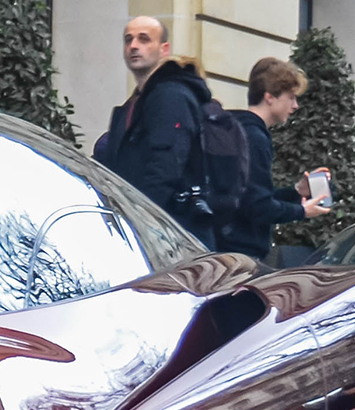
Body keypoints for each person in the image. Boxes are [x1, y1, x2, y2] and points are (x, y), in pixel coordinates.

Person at [93, 17, 220, 246]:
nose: (133, 46)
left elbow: (165, 168)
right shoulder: (142, 100)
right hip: (153, 231)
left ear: (164, 49)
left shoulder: (170, 96)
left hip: (170, 236)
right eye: (128, 39)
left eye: (144, 39)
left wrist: (136, 221)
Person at [221, 56, 325, 259]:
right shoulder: (255, 137)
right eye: (291, 97)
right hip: (241, 255)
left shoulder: (235, 128)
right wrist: (302, 211)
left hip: (224, 248)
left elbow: (250, 196)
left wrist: (296, 191)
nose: (295, 106)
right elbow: (258, 206)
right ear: (270, 97)